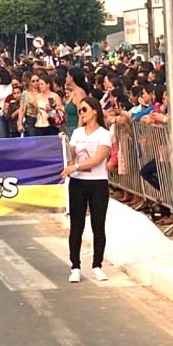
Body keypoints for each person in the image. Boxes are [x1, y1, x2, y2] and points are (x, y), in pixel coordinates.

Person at [61, 96, 113, 283]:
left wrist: (75, 167)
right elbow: (70, 154)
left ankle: (97, 265)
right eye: (80, 110)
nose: (81, 113)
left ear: (94, 111)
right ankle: (75, 266)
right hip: (78, 183)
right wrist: (64, 144)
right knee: (76, 226)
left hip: (97, 182)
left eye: (84, 110)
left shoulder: (104, 134)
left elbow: (98, 158)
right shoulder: (77, 133)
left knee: (98, 225)